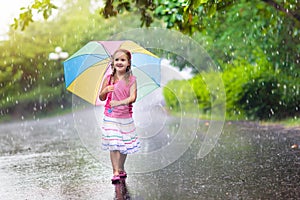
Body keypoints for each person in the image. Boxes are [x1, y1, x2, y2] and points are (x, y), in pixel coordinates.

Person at [99, 49, 140, 184]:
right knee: (114, 143)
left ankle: (121, 167)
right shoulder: (109, 79)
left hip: (125, 116)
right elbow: (102, 97)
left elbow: (133, 98)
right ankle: (115, 171)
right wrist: (105, 90)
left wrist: (120, 102)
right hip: (110, 116)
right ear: (113, 63)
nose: (119, 62)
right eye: (117, 60)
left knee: (124, 144)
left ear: (128, 63)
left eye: (123, 60)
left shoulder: (132, 80)